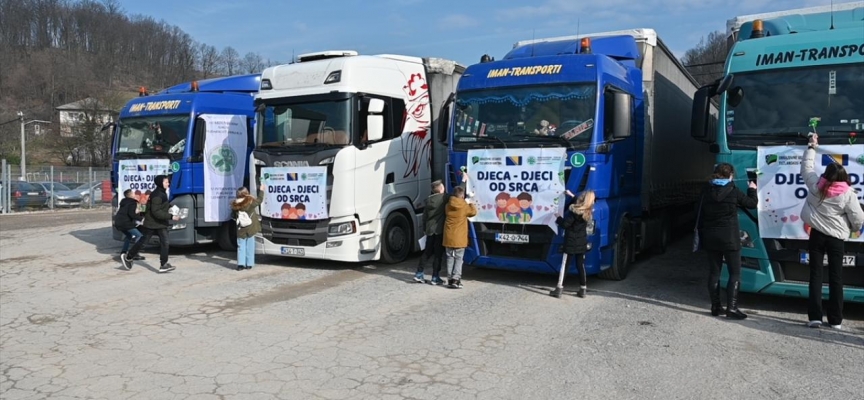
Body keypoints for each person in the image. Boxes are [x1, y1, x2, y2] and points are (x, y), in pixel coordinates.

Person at [801, 134, 864, 329]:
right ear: (844, 177)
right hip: (836, 238)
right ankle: (835, 320)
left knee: (815, 276)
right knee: (836, 277)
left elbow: (806, 167)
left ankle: (814, 318)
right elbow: (858, 217)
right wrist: (853, 228)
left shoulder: (814, 185)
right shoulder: (847, 194)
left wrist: (812, 147)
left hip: (817, 235)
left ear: (825, 175)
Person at [698, 163, 757, 319]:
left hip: (710, 236)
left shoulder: (706, 190)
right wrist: (752, 189)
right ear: (731, 175)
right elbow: (752, 204)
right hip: (729, 237)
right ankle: (732, 308)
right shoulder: (733, 190)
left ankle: (716, 307)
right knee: (735, 273)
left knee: (714, 272)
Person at [121, 175, 180, 273]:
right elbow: (156, 211)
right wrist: (171, 216)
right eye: (166, 182)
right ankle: (128, 257)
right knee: (144, 242)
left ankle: (163, 265)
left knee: (165, 242)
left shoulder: (162, 193)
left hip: (160, 223)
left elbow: (162, 205)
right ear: (161, 183)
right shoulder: (157, 195)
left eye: (168, 182)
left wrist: (172, 207)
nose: (168, 183)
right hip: (152, 223)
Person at [550, 190, 593, 298]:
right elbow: (579, 203)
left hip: (570, 242)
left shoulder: (574, 212)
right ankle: (583, 289)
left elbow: (565, 224)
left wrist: (557, 216)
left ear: (582, 200)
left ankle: (559, 289)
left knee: (565, 265)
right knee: (580, 265)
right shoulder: (588, 211)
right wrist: (571, 195)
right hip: (581, 242)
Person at [413, 180, 450, 285]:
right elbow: (457, 194)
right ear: (441, 189)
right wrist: (463, 181)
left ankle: (419, 273)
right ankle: (435, 277)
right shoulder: (443, 198)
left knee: (427, 252)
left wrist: (425, 229)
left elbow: (424, 218)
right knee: (438, 254)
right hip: (439, 230)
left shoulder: (428, 200)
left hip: (429, 230)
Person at [443, 185, 477, 289]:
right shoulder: (464, 206)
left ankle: (449, 279)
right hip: (459, 238)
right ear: (462, 196)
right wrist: (470, 202)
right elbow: (473, 212)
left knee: (449, 258)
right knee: (458, 259)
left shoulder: (448, 205)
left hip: (448, 236)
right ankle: (456, 280)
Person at [232, 185, 265, 271]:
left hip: (241, 228)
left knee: (241, 246)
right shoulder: (250, 202)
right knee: (250, 246)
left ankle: (240, 265)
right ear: (246, 193)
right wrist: (261, 190)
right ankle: (249, 264)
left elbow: (233, 216)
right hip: (251, 227)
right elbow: (259, 200)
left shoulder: (235, 205)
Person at [114, 189, 145, 261]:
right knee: (139, 236)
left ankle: (123, 252)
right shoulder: (132, 203)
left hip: (118, 222)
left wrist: (136, 211)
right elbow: (132, 214)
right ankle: (134, 253)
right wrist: (141, 219)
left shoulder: (124, 202)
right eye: (133, 193)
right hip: (125, 223)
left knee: (129, 236)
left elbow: (127, 211)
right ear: (130, 195)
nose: (134, 194)